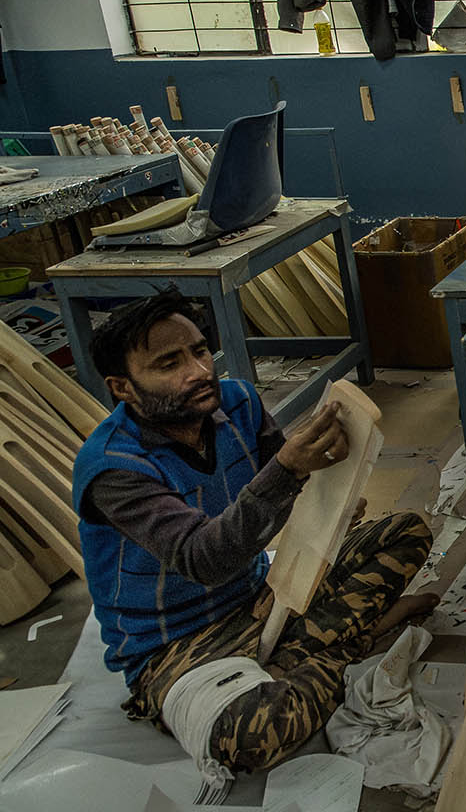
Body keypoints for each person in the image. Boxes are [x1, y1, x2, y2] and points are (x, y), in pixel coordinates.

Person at [71, 289, 437, 785]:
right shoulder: (114, 469)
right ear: (123, 387)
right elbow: (203, 558)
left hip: (261, 590)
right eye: (168, 363)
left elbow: (284, 497)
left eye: (200, 351)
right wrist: (288, 469)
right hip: (176, 640)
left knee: (405, 533)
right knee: (251, 735)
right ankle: (352, 641)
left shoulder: (238, 403)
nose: (199, 371)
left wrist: (330, 507)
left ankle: (297, 658)